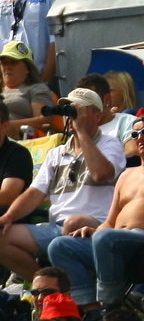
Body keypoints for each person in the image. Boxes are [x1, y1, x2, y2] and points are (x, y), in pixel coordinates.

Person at [48, 113, 144, 311]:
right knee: (60, 246)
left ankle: (109, 306)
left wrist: (104, 235)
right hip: (112, 239)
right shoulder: (126, 174)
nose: (140, 138)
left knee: (106, 238)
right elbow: (110, 222)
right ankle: (89, 308)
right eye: (134, 135)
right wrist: (95, 231)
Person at [0, 87, 124, 280]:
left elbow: (101, 174)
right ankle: (47, 285)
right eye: (68, 109)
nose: (71, 116)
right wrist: (7, 217)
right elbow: (34, 193)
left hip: (95, 225)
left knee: (74, 222)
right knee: (2, 236)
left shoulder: (110, 144)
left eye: (78, 109)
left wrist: (81, 132)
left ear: (98, 116)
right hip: (55, 227)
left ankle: (73, 288)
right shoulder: (56, 153)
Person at [0, 42, 50, 138]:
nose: (8, 67)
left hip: (18, 140)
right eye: (4, 63)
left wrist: (9, 125)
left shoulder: (36, 89)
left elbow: (44, 121)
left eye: (13, 62)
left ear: (28, 68)